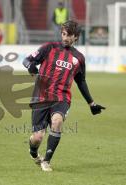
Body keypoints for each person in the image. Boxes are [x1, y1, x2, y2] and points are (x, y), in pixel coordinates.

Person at [23, 20, 105, 172]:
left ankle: (47, 161)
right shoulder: (49, 48)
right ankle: (33, 152)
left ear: (76, 37)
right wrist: (31, 66)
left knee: (57, 120)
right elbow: (27, 60)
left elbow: (81, 82)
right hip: (41, 97)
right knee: (37, 138)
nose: (66, 37)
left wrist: (91, 103)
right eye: (64, 34)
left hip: (62, 98)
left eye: (70, 35)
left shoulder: (79, 58)